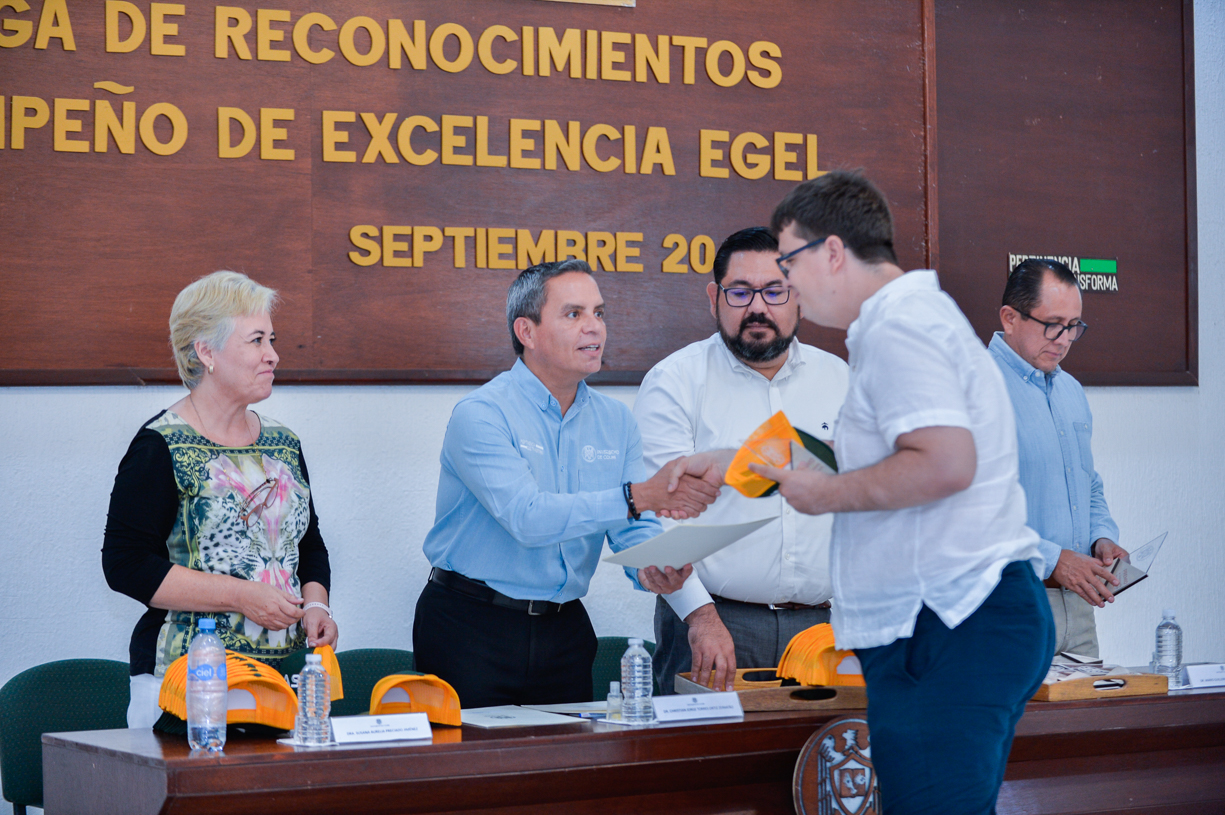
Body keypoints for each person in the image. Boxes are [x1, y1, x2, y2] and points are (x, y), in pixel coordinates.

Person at [673, 172, 1054, 814]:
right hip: (951, 621)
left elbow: (944, 463)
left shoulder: (900, 328)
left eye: (788, 263)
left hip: (950, 623)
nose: (786, 284)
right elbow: (877, 459)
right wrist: (735, 461)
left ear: (830, 252)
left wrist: (825, 495)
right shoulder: (904, 323)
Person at [412, 259, 719, 709]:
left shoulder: (616, 421)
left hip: (564, 630)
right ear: (527, 331)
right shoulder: (481, 414)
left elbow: (632, 525)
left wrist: (650, 567)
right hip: (471, 624)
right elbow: (528, 518)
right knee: (472, 755)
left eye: (599, 313)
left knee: (567, 753)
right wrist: (639, 496)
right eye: (574, 314)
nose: (594, 327)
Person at [103, 271, 337, 729]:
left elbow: (308, 544)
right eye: (256, 340)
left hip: (282, 683)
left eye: (271, 339)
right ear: (206, 353)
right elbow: (124, 564)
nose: (273, 355)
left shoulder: (284, 443)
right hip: (186, 682)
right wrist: (240, 596)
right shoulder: (160, 445)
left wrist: (316, 606)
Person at [633, 226, 848, 694]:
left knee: (822, 745)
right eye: (740, 292)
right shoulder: (676, 381)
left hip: (823, 630)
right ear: (715, 298)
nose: (758, 307)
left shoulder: (840, 380)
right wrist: (701, 618)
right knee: (703, 746)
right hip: (715, 625)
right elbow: (658, 515)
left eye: (775, 291)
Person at [990, 258, 1123, 659]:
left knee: (1091, 704)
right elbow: (966, 513)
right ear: (1010, 318)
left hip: (1079, 606)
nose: (1064, 339)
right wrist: (1053, 561)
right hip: (1006, 605)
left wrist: (1102, 536)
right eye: (1053, 324)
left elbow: (1088, 482)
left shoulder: (1071, 391)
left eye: (1074, 326)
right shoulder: (975, 388)